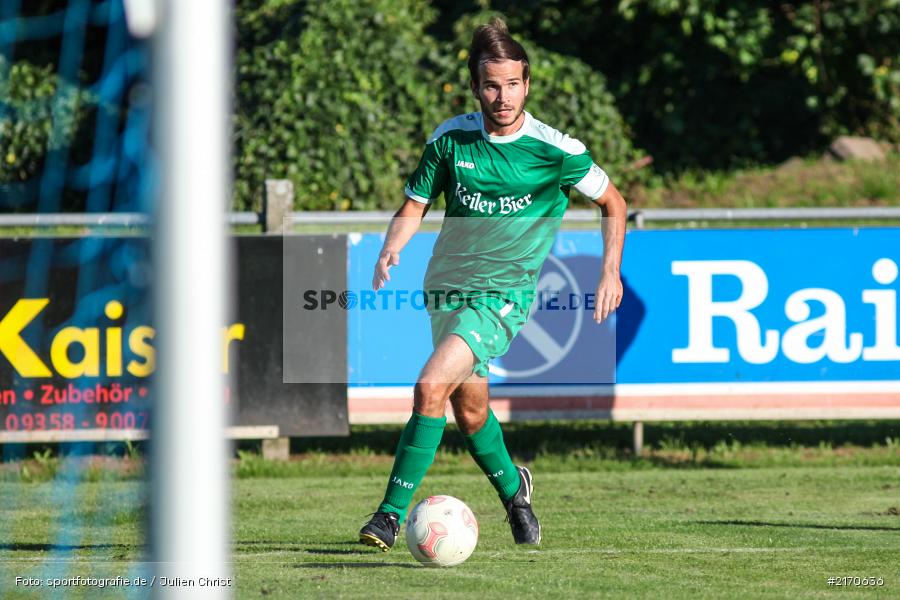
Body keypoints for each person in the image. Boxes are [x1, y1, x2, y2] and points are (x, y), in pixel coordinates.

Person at [359, 16, 626, 551]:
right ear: (476, 86)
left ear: (527, 84)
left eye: (512, 84)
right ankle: (515, 493)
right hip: (446, 289)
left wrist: (609, 270)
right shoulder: (451, 139)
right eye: (490, 85)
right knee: (470, 409)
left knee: (430, 385)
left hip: (503, 296)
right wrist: (393, 244)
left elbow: (613, 203)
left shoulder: (556, 150)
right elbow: (414, 205)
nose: (502, 96)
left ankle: (388, 515)